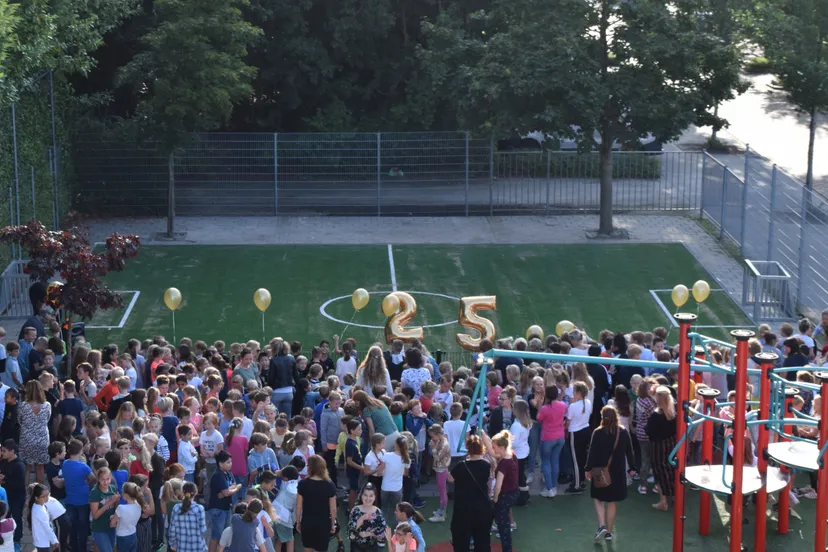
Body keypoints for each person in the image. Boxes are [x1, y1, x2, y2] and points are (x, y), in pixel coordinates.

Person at [585, 405, 636, 542]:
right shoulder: (623, 432)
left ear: (603, 417)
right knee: (612, 502)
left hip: (599, 472)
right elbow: (629, 451)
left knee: (598, 498)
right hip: (617, 472)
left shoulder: (597, 432)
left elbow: (592, 452)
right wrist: (632, 468)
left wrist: (587, 469)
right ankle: (609, 532)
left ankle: (601, 525)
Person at [447, 434, 492, 552]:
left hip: (463, 508)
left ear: (468, 448)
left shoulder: (461, 466)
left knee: (461, 541)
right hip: (482, 507)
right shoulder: (486, 465)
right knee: (483, 541)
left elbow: (450, 478)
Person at [295, 455, 337, 552]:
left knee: (307, 548)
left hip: (307, 522)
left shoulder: (302, 484)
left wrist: (298, 522)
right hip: (323, 524)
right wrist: (332, 524)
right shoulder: (330, 485)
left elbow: (299, 506)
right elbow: (333, 508)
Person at [486, 430, 519, 552]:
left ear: (501, 447)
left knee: (503, 527)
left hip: (504, 496)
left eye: (494, 446)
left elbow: (498, 486)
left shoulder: (503, 464)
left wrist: (494, 499)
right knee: (495, 517)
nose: (493, 449)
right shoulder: (512, 454)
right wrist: (484, 435)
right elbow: (491, 452)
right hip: (513, 492)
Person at [646, 386, 677, 511]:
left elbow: (650, 432)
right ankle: (676, 496)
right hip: (672, 444)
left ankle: (663, 502)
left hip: (658, 447)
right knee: (672, 470)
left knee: (660, 473)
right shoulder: (674, 412)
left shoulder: (656, 415)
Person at [18, 380, 51, 484]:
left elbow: (19, 420)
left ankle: (26, 491)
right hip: (42, 438)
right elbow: (47, 419)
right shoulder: (47, 405)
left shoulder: (22, 406)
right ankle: (40, 491)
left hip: (27, 438)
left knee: (27, 467)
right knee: (40, 467)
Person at [537, 385, 566, 497]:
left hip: (548, 438)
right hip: (560, 437)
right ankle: (553, 487)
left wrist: (540, 404)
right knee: (555, 461)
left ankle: (549, 489)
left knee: (546, 462)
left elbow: (539, 419)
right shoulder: (563, 405)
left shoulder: (545, 408)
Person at [347, 482, 387, 552]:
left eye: (371, 496)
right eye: (365, 495)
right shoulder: (355, 510)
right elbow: (350, 530)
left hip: (372, 547)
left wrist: (369, 534)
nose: (368, 498)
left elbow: (382, 533)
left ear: (375, 497)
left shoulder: (378, 512)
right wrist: (362, 518)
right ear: (361, 496)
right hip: (356, 546)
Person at [169, 482, 207, 552]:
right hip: (197, 547)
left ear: (183, 493)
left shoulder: (176, 508)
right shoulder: (200, 508)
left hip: (181, 547)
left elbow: (172, 530)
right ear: (196, 493)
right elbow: (203, 529)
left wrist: (173, 544)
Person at [379, 436, 409, 525]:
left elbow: (380, 472)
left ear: (396, 445)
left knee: (384, 509)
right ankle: (394, 530)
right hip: (397, 489)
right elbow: (405, 473)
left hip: (385, 487)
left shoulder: (386, 456)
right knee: (396, 511)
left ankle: (381, 528)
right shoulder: (406, 459)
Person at [111, 482, 146, 552]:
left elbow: (112, 524)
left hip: (122, 538)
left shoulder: (121, 508)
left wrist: (113, 518)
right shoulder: (139, 506)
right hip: (133, 535)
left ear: (125, 495)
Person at [28, 483, 59, 552]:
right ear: (37, 498)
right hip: (43, 542)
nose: (46, 498)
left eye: (48, 495)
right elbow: (47, 528)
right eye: (43, 496)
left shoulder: (37, 505)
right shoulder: (40, 511)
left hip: (40, 540)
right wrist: (54, 541)